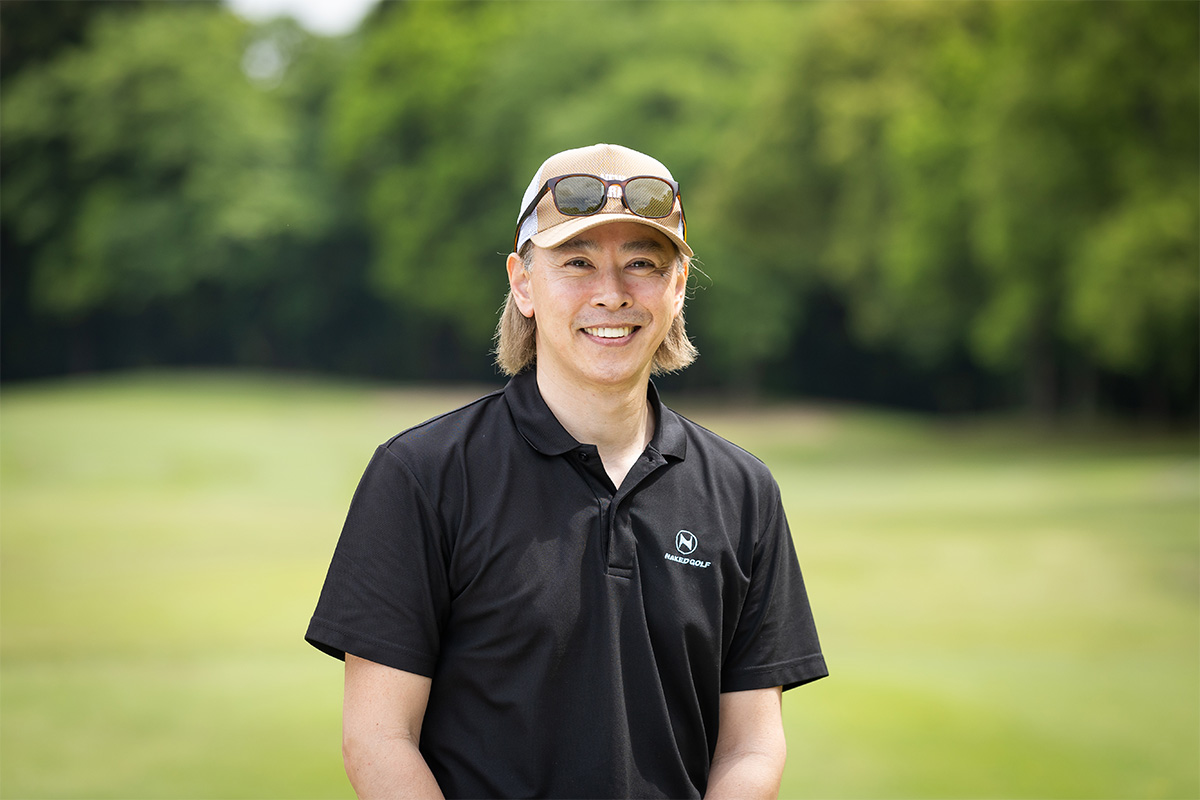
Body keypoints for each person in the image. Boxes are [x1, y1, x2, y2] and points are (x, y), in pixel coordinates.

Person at [306, 143, 827, 799]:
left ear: (677, 286)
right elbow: (379, 739)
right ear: (523, 283)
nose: (611, 293)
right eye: (577, 262)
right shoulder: (421, 476)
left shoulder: (743, 492)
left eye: (642, 263)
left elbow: (751, 744)